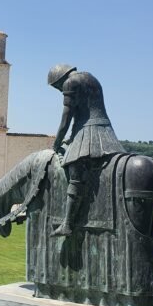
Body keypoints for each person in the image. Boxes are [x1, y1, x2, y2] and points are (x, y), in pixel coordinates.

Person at [48, 64, 127, 237]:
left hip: (89, 132)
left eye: (57, 87)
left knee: (74, 169)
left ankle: (67, 223)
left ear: (60, 79)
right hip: (105, 130)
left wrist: (57, 142)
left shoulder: (70, 82)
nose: (59, 90)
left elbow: (66, 118)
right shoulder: (91, 78)